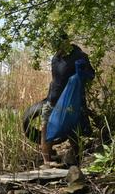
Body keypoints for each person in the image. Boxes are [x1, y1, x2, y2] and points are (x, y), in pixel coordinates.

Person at [40, 31, 95, 165]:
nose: (56, 46)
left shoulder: (78, 55)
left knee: (72, 130)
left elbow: (91, 75)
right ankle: (47, 162)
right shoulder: (56, 57)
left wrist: (83, 72)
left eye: (58, 43)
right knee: (45, 127)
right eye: (55, 44)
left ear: (66, 41)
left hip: (69, 102)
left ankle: (78, 159)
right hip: (52, 99)